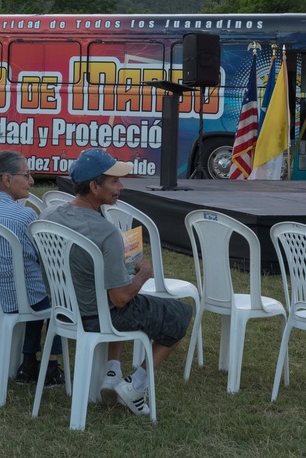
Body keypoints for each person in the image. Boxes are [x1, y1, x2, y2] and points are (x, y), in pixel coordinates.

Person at [44, 148, 192, 416]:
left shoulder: (50, 217)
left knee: (124, 290)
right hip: (98, 316)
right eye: (114, 182)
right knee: (180, 313)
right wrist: (143, 274)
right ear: (94, 186)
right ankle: (136, 386)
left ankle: (112, 371)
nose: (121, 187)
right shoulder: (106, 231)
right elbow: (120, 298)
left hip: (64, 312)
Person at [0, 151, 65, 385]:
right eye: (27, 175)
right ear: (7, 180)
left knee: (33, 288)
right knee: (60, 299)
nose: (31, 181)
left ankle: (28, 363)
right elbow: (46, 258)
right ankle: (50, 364)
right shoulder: (24, 216)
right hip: (20, 300)